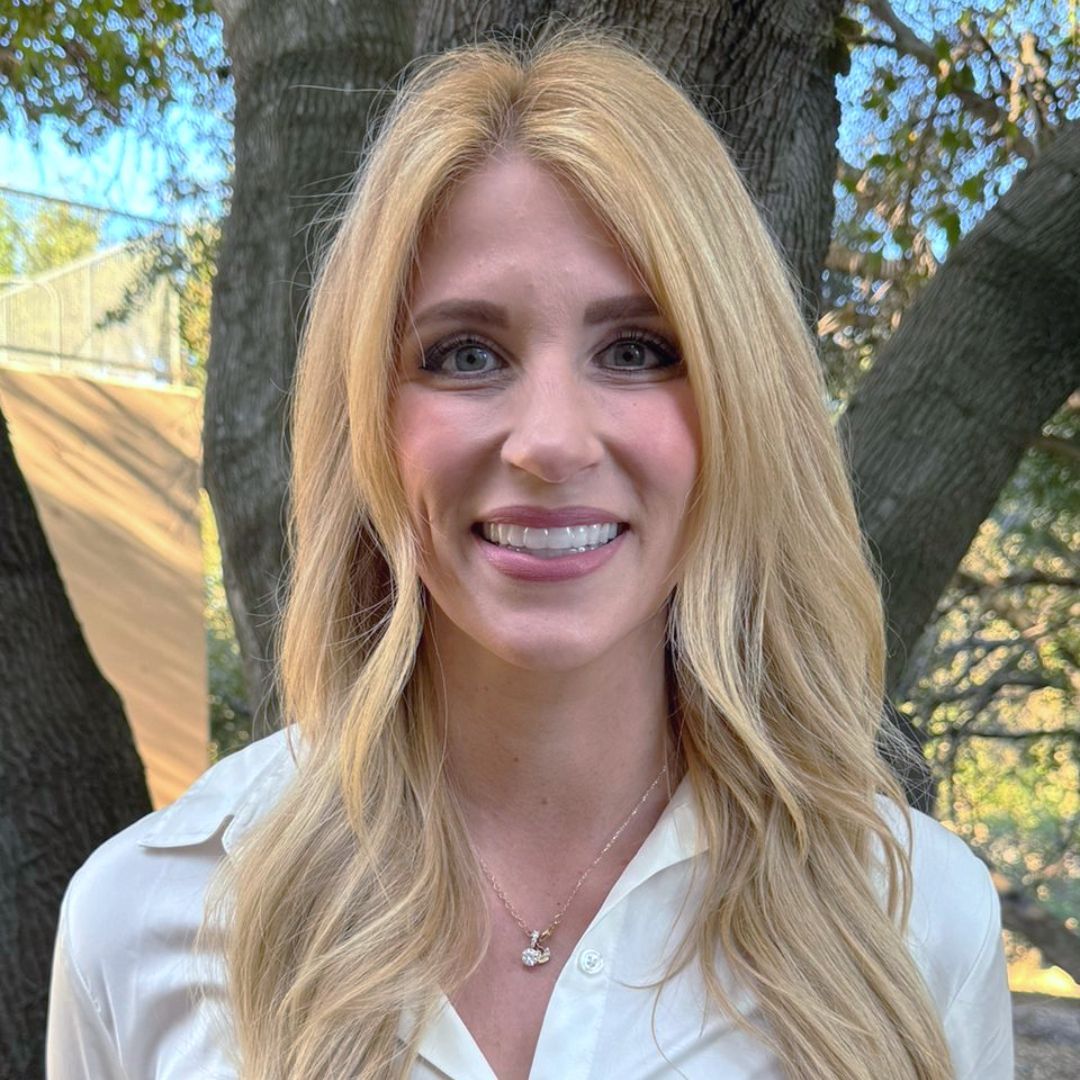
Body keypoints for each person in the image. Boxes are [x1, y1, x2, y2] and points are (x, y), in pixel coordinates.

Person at [46, 25, 1013, 1080]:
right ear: (368, 417)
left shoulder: (915, 923)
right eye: (465, 354)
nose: (551, 440)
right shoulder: (142, 921)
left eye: (638, 350)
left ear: (741, 406)